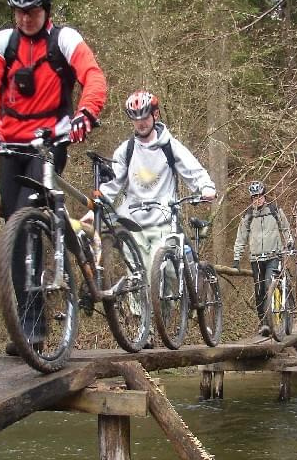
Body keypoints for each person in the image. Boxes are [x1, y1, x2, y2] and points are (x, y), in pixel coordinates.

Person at [0, 0, 107, 352]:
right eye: (17, 11)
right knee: (13, 228)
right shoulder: (4, 42)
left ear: (45, 9)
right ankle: (24, 321)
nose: (23, 17)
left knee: (29, 219)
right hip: (11, 145)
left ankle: (35, 323)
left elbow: (93, 77)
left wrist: (87, 113)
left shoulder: (64, 40)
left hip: (52, 140)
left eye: (30, 10)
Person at [91, 90, 216, 345]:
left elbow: (193, 171)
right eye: (135, 118)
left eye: (145, 116)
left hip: (163, 219)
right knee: (139, 278)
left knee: (169, 271)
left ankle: (176, 309)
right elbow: (112, 184)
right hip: (133, 221)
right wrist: (98, 198)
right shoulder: (126, 150)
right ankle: (144, 331)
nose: (141, 122)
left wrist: (206, 187)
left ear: (154, 115)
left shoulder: (170, 146)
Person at [232, 181, 293, 335]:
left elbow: (285, 228)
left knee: (268, 284)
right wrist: (236, 258)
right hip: (256, 258)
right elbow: (241, 237)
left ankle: (276, 317)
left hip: (274, 255)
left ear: (264, 195)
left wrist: (289, 241)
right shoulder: (248, 215)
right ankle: (264, 324)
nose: (256, 199)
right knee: (259, 291)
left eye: (259, 196)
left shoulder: (274, 209)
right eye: (253, 197)